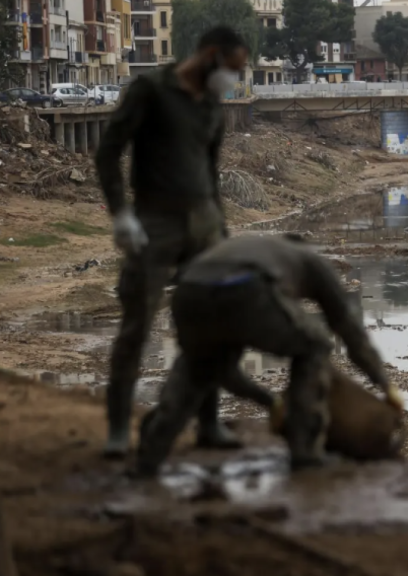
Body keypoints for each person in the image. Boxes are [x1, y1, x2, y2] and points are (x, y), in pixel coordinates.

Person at [94, 25, 250, 459]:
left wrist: (220, 228)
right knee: (136, 326)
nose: (233, 79)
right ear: (211, 56)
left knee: (210, 327)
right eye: (233, 69)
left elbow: (211, 171)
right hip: (155, 221)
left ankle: (208, 425)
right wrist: (120, 213)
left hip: (204, 223)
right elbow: (109, 150)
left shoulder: (213, 105)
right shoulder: (151, 89)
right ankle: (119, 431)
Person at [134, 235, 401, 477]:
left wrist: (270, 402)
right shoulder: (311, 261)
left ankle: (149, 457)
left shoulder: (260, 248)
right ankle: (305, 452)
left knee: (198, 366)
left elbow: (225, 372)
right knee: (316, 343)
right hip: (247, 288)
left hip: (188, 292)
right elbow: (348, 328)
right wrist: (384, 383)